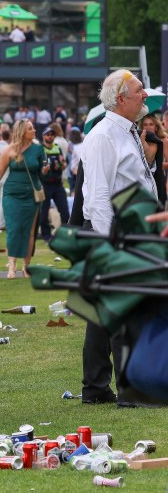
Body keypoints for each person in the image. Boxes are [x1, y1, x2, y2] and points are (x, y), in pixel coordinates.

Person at [79, 70, 158, 407]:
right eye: (140, 91)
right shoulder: (103, 137)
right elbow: (97, 198)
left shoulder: (126, 132)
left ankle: (96, 388)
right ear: (121, 98)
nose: (145, 96)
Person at [0, 120, 46, 278]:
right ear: (22, 132)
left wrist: (45, 170)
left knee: (30, 231)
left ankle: (27, 266)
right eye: (30, 128)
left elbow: (41, 172)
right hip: (12, 193)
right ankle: (11, 265)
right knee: (13, 228)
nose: (34, 130)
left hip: (31, 194)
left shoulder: (38, 149)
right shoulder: (8, 150)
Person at [39, 126, 69, 243]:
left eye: (52, 134)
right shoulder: (40, 150)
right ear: (43, 136)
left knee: (65, 211)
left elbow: (63, 165)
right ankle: (46, 236)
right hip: (45, 184)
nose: (50, 136)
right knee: (44, 212)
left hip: (57, 184)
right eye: (47, 134)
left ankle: (65, 234)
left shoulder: (57, 148)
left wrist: (63, 165)